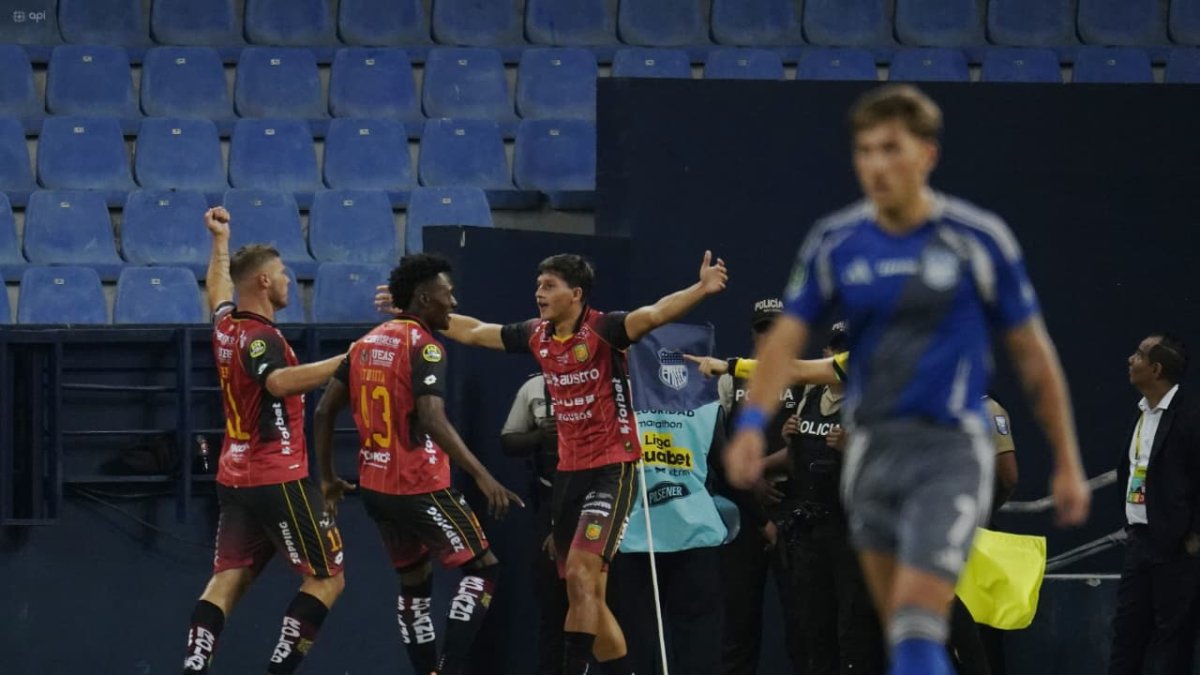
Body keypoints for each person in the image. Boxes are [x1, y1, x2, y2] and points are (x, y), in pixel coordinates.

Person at [722, 84, 1090, 675]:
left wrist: (1068, 458)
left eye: (890, 148)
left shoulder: (978, 239)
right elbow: (789, 342)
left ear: (926, 155)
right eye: (864, 151)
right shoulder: (835, 240)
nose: (875, 164)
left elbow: (1033, 353)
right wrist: (751, 430)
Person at [398, 250, 727, 675]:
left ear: (576, 294)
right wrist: (414, 311)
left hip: (613, 469)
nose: (539, 293)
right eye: (537, 285)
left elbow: (655, 314)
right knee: (583, 593)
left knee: (580, 574)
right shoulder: (538, 335)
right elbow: (478, 331)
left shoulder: (606, 329)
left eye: (548, 286)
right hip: (568, 475)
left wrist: (701, 287)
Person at [313, 254, 523, 675]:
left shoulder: (366, 343)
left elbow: (321, 413)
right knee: (484, 570)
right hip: (418, 484)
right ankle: (447, 668)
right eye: (448, 295)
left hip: (375, 489)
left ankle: (425, 670)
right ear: (425, 298)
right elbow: (431, 417)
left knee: (414, 581)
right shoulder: (425, 346)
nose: (453, 302)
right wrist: (483, 477)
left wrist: (329, 479)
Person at [181, 207, 348, 674]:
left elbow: (217, 290)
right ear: (261, 284)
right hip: (277, 476)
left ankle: (194, 666)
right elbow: (277, 383)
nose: (288, 282)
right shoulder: (260, 339)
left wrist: (219, 241)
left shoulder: (226, 326)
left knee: (227, 579)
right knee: (327, 579)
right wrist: (350, 358)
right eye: (281, 275)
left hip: (233, 479)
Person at [711, 298, 805, 675]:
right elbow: (716, 450)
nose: (768, 336)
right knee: (738, 624)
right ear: (753, 331)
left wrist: (768, 473)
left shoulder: (804, 377)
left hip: (790, 505)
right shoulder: (730, 378)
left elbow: (810, 444)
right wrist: (753, 491)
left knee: (802, 625)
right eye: (762, 328)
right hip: (741, 513)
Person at [1107, 333, 1200, 675]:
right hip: (1140, 543)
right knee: (1126, 635)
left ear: (1156, 368)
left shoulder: (1191, 415)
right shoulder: (1142, 413)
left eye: (1139, 354)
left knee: (1170, 643)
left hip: (1176, 550)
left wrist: (1194, 537)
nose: (1130, 360)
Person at [499, 373, 568, 675]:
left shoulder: (609, 383)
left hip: (598, 500)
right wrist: (539, 436)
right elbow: (509, 441)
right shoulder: (535, 387)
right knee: (553, 606)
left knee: (607, 604)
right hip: (549, 499)